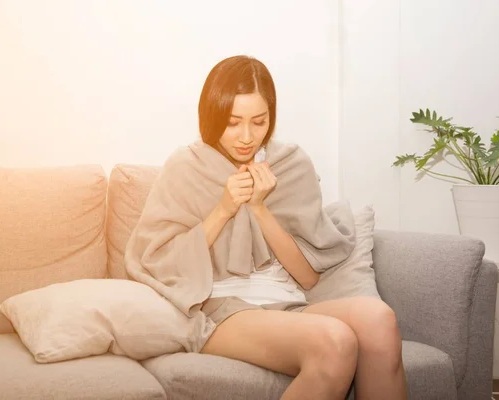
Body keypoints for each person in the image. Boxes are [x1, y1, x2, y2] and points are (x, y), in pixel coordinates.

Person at [129, 55, 407, 400]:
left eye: (259, 122)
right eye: (232, 123)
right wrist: (224, 209)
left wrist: (260, 209)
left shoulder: (290, 164)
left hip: (288, 304)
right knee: (335, 342)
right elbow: (159, 262)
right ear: (212, 116)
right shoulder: (187, 166)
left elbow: (308, 278)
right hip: (219, 308)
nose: (246, 136)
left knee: (379, 320)